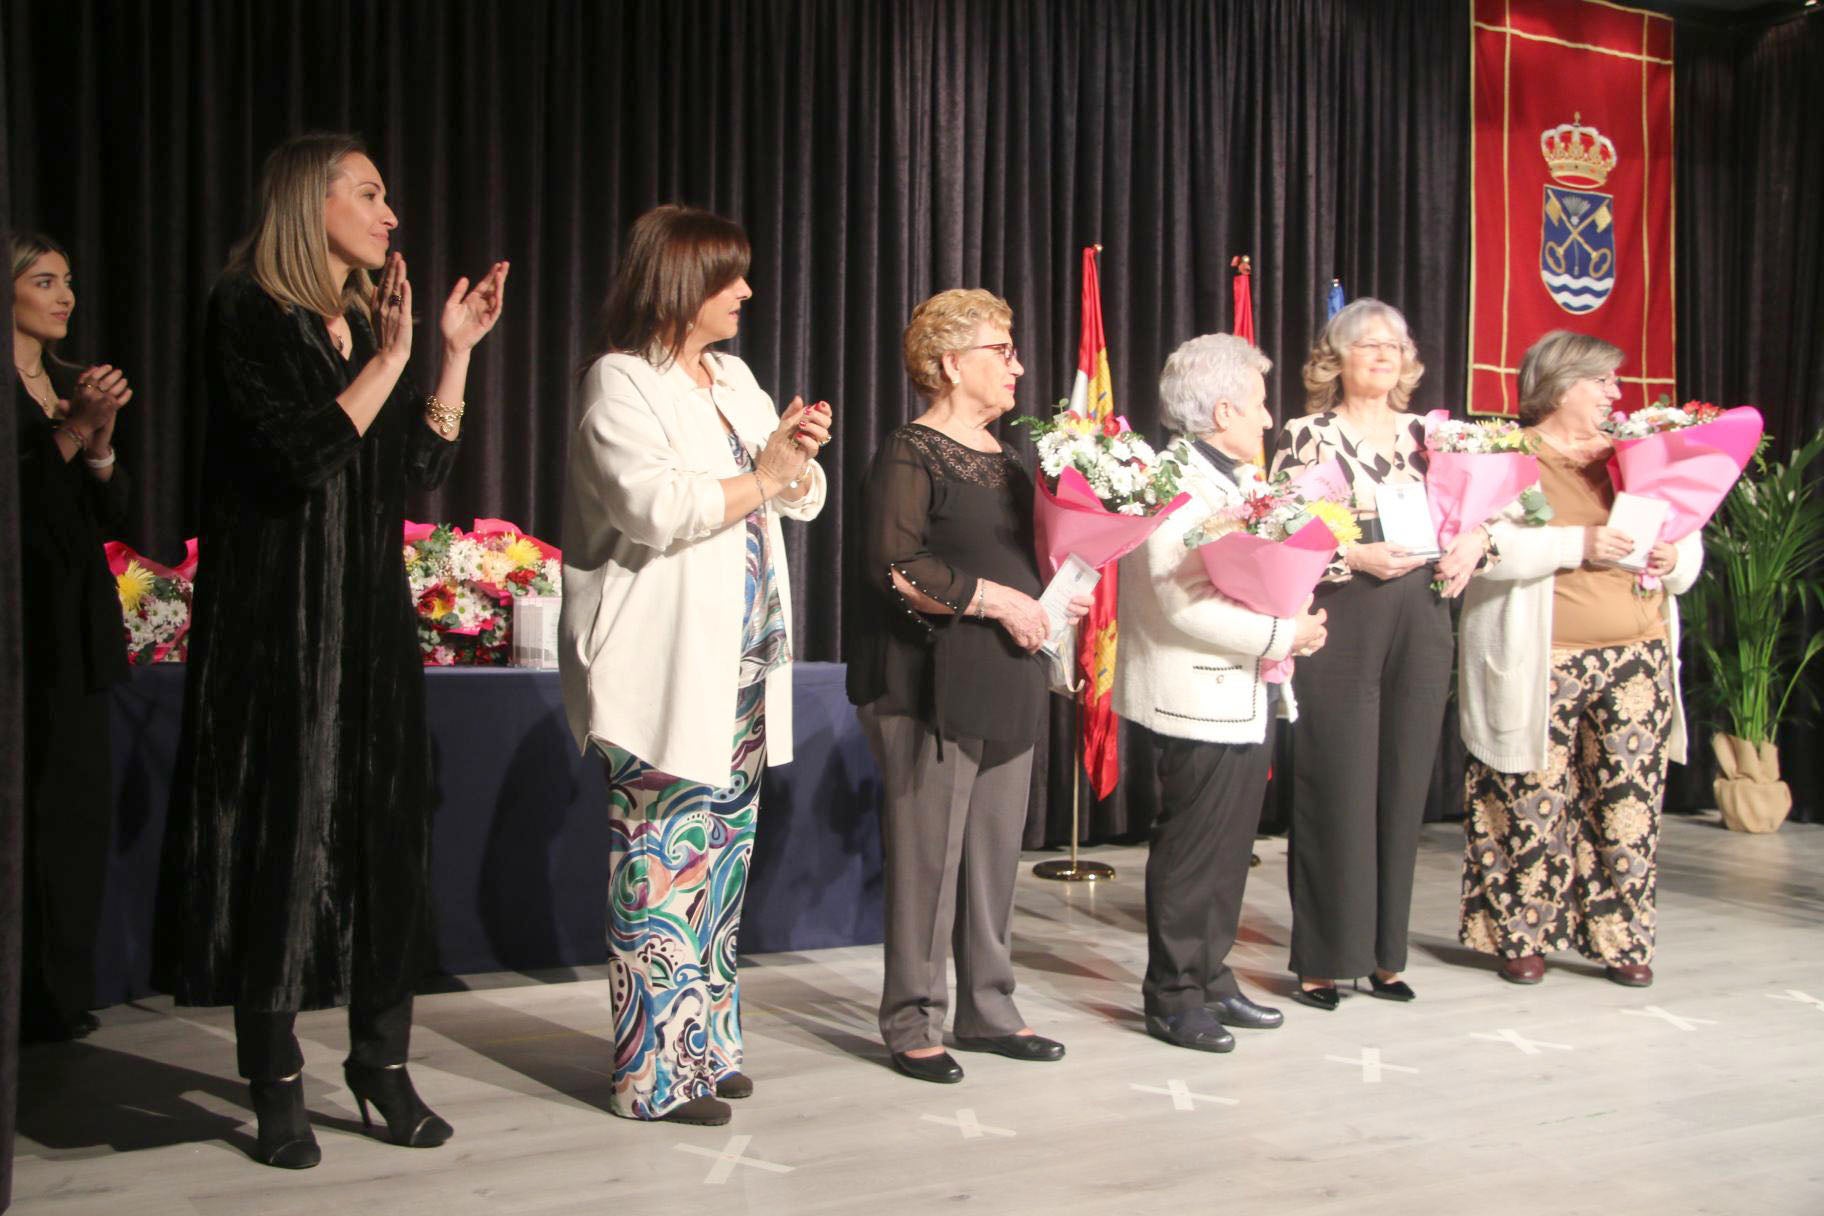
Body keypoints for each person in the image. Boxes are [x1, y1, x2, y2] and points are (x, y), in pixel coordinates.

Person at [156, 133, 509, 1169]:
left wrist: (450, 351)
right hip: (276, 630)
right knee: (284, 840)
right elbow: (303, 454)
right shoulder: (247, 313)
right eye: (369, 193)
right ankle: (274, 1078)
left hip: (367, 624)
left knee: (383, 843)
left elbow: (415, 467)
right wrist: (391, 361)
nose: (390, 214)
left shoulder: (363, 323)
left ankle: (380, 1063)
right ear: (310, 204)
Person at [558, 204, 828, 1127]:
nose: (747, 291)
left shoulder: (734, 376)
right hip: (664, 661)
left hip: (742, 661)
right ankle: (651, 1076)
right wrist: (768, 471)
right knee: (659, 863)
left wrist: (794, 454)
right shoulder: (619, 382)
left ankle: (705, 1053)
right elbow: (656, 507)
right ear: (681, 282)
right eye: (730, 277)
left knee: (720, 861)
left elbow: (802, 497)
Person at [847, 288, 1089, 1085]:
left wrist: (1058, 595)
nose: (1018, 365)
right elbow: (894, 567)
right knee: (927, 860)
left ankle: (988, 1008)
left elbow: (1018, 560)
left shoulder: (1008, 459)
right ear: (953, 363)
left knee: (991, 855)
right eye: (1002, 350)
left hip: (1008, 676)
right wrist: (998, 600)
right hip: (929, 684)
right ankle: (912, 1018)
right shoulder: (910, 450)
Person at [1457, 330, 1700, 988]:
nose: (1616, 395)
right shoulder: (1505, 455)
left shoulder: (1636, 455)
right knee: (1527, 800)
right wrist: (1580, 543)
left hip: (1637, 656)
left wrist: (1678, 559)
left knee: (1627, 803)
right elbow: (1486, 553)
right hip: (1543, 657)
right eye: (1603, 383)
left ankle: (1621, 938)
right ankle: (1519, 935)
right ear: (1563, 387)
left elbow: (1687, 535)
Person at [1270, 298, 1484, 1010]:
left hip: (1423, 614)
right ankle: (1326, 959)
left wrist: (1475, 543)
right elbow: (1280, 529)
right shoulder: (1308, 435)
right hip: (1346, 612)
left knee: (1401, 780)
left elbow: (1490, 518)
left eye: (1395, 344)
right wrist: (1350, 553)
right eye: (1367, 344)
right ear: (1335, 358)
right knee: (1337, 781)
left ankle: (1386, 955)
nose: (1384, 354)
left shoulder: (1436, 436)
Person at [1113, 333, 1325, 1052]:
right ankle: (1172, 994)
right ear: (1224, 407)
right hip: (1195, 691)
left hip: (1241, 691)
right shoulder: (1173, 482)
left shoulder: (1230, 479)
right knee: (1193, 848)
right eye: (1260, 406)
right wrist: (1283, 634)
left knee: (1232, 846)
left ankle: (1210, 975)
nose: (1269, 421)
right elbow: (1182, 604)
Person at [11, 232, 135, 1043]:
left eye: (69, 283)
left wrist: (98, 445)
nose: (65, 298)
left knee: (77, 812)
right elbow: (15, 503)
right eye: (45, 281)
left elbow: (108, 518)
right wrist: (65, 433)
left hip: (76, 621)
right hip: (21, 627)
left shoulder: (67, 383)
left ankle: (60, 990)